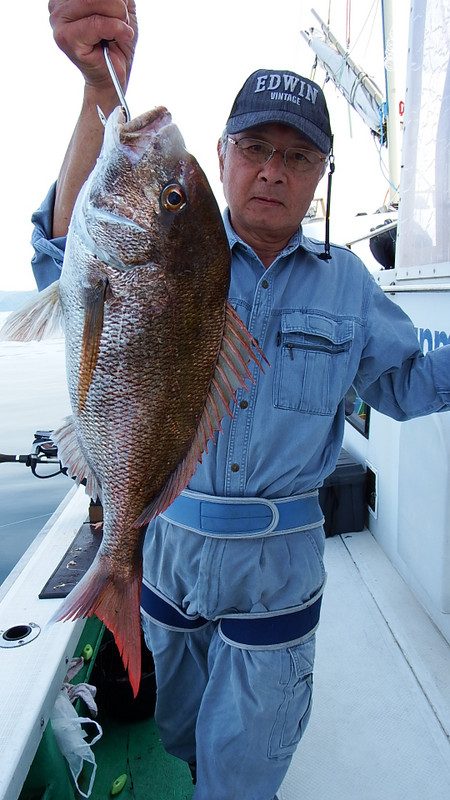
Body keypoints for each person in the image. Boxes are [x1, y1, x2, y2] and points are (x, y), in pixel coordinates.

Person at [32, 3, 450, 799]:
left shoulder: (349, 285)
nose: (272, 170)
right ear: (221, 155)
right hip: (168, 557)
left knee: (244, 767)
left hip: (277, 572)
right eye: (254, 147)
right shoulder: (169, 249)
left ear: (321, 174)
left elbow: (408, 377)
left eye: (297, 156)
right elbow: (62, 256)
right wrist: (95, 88)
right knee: (183, 732)